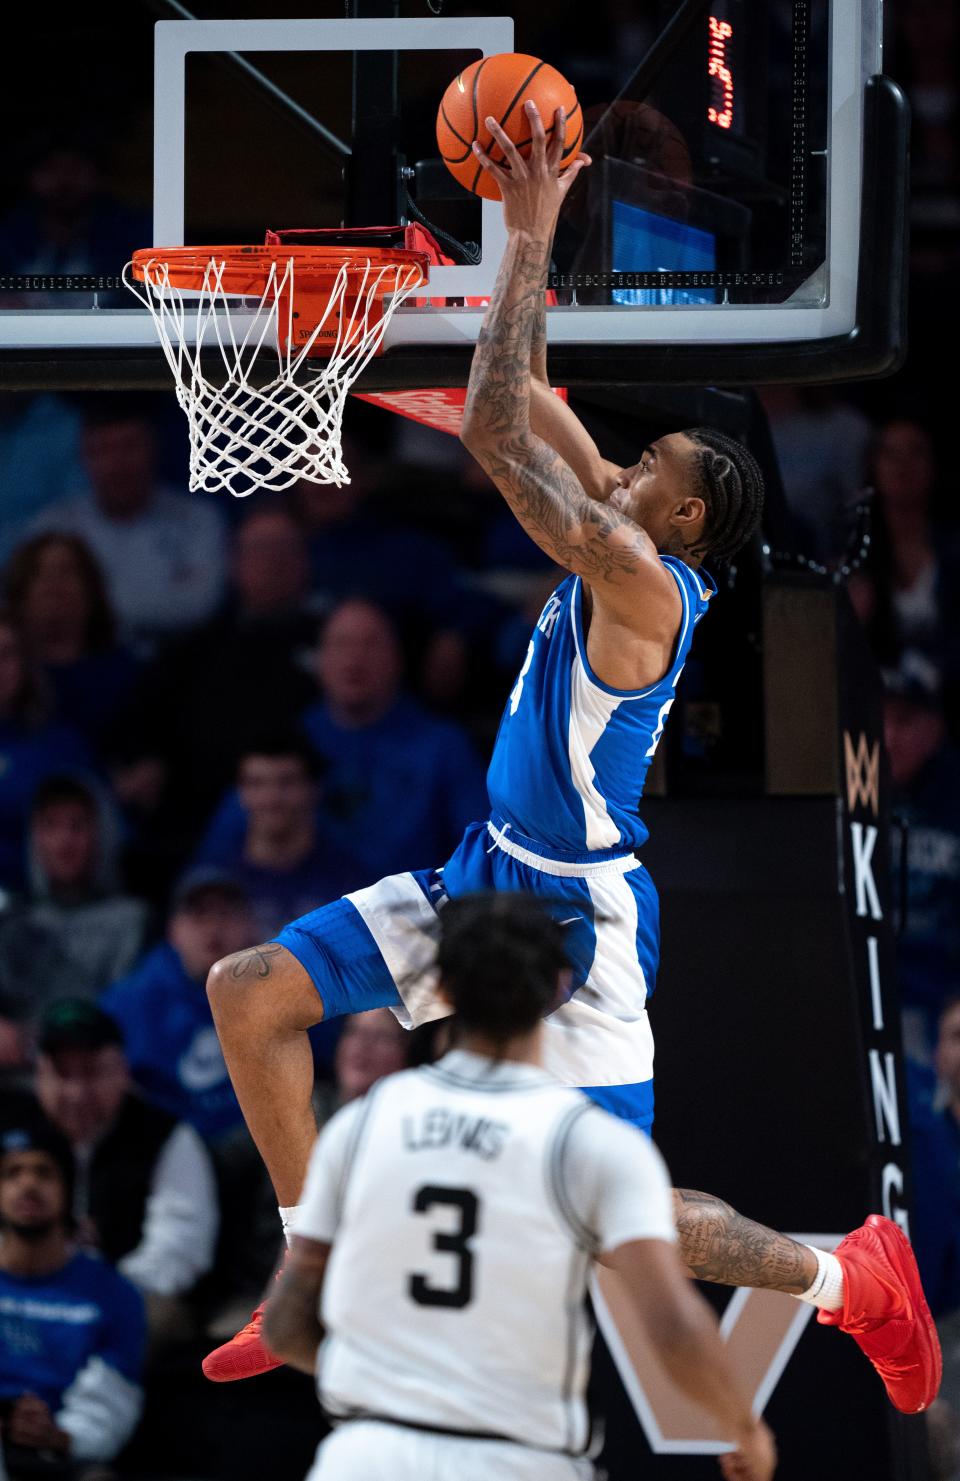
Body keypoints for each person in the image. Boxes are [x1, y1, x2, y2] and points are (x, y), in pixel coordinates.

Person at [203, 103, 940, 1419]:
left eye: (643, 464)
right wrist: (498, 236)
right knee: (251, 989)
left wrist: (533, 230)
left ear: (685, 513)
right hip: (488, 871)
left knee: (621, 1218)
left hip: (573, 919)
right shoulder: (627, 523)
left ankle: (852, 1278)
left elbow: (495, 434)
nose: (619, 466)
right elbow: (531, 398)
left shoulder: (648, 585)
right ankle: (311, 1267)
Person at [264, 893, 775, 1481]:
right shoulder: (591, 1143)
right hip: (516, 1457)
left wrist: (387, 1389)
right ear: (560, 986)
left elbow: (287, 1328)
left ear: (441, 990)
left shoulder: (359, 1126)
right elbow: (672, 1325)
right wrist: (744, 1427)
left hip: (363, 1456)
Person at [33, 999, 218, 1315]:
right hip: (25, 1292)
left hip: (130, 1296)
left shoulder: (166, 1137)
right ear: (39, 1076)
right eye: (62, 1074)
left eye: (92, 1072)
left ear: (122, 1071)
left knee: (155, 1316)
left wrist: (99, 1290)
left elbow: (180, 1249)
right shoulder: (16, 1134)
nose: (77, 1093)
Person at [0, 1120, 145, 1478]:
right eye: (13, 1173)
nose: (28, 1184)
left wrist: (62, 1436)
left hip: (59, 1455)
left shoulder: (114, 1294)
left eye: (44, 1173)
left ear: (70, 1191)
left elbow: (113, 1399)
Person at [32, 401, 226, 652]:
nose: (118, 463)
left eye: (129, 446)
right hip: (83, 661)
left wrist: (86, 609)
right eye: (104, 450)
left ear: (154, 449)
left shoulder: (198, 518)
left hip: (182, 662)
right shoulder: (54, 526)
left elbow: (201, 604)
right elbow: (33, 608)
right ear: (84, 458)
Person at [101, 869, 255, 1144]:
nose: (213, 927)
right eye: (199, 914)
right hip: (164, 1146)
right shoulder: (134, 1000)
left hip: (255, 1149)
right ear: (173, 930)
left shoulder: (276, 989)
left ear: (249, 926)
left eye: (226, 913)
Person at [0, 774, 149, 1015]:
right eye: (50, 825)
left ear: (103, 832)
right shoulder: (11, 923)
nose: (63, 842)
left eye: (77, 826)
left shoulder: (135, 922)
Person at [193, 736, 363, 941]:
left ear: (314, 789)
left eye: (287, 783)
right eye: (257, 784)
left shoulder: (351, 883)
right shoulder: (208, 880)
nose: (271, 798)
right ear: (240, 793)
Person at [3, 534, 141, 746]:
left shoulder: (126, 673)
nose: (54, 585)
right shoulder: (9, 676)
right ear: (19, 595)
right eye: (39, 573)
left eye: (66, 572)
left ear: (91, 591)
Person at [0, 615, 90, 893]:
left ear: (25, 664)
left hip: (47, 912)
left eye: (6, 655)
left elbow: (104, 838)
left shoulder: (61, 746)